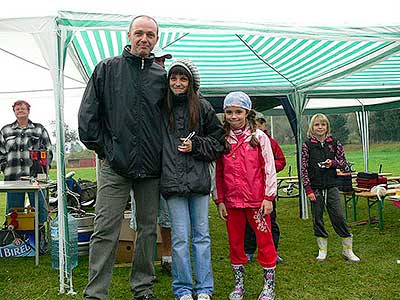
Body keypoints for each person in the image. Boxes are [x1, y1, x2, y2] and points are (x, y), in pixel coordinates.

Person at [78, 15, 167, 300]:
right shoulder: (107, 69)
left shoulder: (162, 77)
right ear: (128, 36)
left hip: (151, 169)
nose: (144, 39)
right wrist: (106, 151)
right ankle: (95, 293)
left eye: (150, 35)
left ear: (156, 39)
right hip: (114, 167)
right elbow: (88, 117)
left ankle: (142, 289)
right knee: (105, 230)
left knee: (147, 231)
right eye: (139, 33)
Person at [161, 58, 224, 300]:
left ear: (191, 82)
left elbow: (219, 142)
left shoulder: (203, 107)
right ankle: (183, 289)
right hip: (172, 184)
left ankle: (205, 288)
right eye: (174, 78)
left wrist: (196, 145)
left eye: (183, 78)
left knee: (202, 237)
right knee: (179, 239)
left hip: (198, 183)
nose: (178, 82)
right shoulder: (161, 107)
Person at [214, 91, 277, 300]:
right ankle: (239, 285)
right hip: (232, 202)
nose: (233, 116)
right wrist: (220, 200)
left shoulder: (259, 138)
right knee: (235, 243)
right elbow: (219, 172)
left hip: (256, 201)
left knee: (265, 241)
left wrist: (269, 197)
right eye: (229, 112)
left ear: (247, 112)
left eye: (238, 112)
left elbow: (269, 167)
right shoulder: (223, 139)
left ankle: (269, 286)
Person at [130, 44, 174, 274]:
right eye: (158, 62)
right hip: (141, 166)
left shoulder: (169, 96)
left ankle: (167, 259)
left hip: (164, 165)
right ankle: (143, 263)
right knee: (142, 220)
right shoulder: (135, 92)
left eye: (164, 63)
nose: (161, 67)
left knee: (166, 216)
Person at [301, 113, 360, 263]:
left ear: (327, 126)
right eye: (317, 125)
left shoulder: (334, 143)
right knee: (318, 218)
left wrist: (332, 163)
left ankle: (348, 250)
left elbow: (344, 163)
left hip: (332, 185)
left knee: (339, 217)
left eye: (323, 124)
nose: (320, 127)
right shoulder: (307, 145)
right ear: (312, 127)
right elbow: (303, 169)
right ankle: (322, 250)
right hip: (315, 188)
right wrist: (308, 190)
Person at [0, 100, 52, 226]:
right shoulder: (5, 130)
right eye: (17, 109)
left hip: (36, 179)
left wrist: (44, 169)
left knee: (40, 211)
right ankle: (15, 240)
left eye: (23, 108)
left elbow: (48, 150)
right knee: (13, 214)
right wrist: (4, 167)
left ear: (28, 110)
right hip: (13, 179)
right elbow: (1, 152)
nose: (20, 111)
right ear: (14, 112)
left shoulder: (39, 129)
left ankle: (41, 238)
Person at [244, 116, 286, 264]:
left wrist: (267, 166)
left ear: (263, 125)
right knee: (249, 223)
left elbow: (281, 161)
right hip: (249, 189)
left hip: (267, 188)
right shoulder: (245, 140)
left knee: (270, 221)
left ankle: (273, 251)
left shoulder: (272, 142)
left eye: (259, 123)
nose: (257, 126)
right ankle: (248, 251)